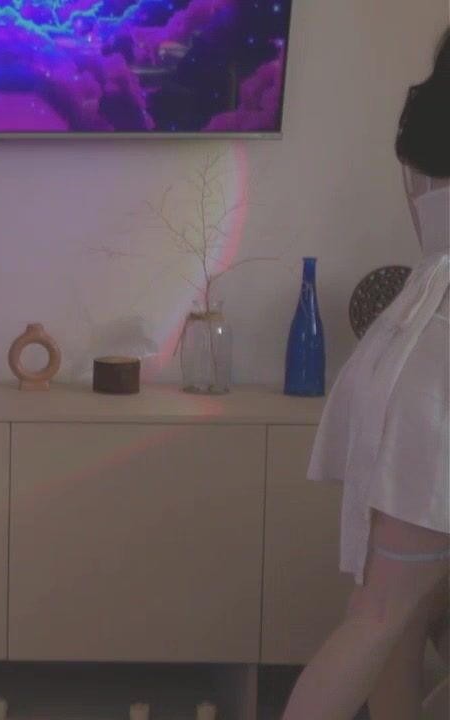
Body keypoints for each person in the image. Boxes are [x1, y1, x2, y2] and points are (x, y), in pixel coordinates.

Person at [282, 27, 450, 720]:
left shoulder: (424, 123)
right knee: (384, 614)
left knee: (392, 616)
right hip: (434, 369)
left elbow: (435, 239)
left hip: (411, 347)